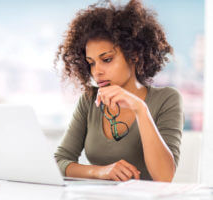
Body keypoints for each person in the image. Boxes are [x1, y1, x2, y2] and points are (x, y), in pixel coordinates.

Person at [54, 0, 184, 182]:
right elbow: (59, 161)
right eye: (91, 63)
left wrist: (140, 109)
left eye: (106, 59)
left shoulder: (167, 99)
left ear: (134, 55)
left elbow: (164, 177)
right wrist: (99, 171)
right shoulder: (90, 99)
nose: (96, 71)